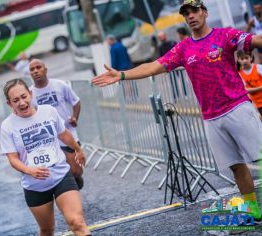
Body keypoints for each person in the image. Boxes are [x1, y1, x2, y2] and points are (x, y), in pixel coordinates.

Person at [92, 0, 262, 221]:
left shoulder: (225, 35)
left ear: (205, 12)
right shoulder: (183, 48)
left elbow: (255, 40)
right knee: (236, 167)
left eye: (194, 11)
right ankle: (253, 211)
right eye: (186, 13)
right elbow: (154, 66)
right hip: (211, 118)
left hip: (238, 108)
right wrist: (122, 75)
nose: (191, 16)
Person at [0, 79, 90, 235]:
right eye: (16, 100)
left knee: (77, 222)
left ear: (30, 94)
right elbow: (13, 159)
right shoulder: (7, 126)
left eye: (24, 96)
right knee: (47, 230)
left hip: (61, 175)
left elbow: (63, 134)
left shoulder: (48, 111)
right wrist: (30, 170)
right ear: (9, 104)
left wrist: (78, 149)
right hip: (35, 185)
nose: (21, 102)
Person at [28, 59, 85, 189]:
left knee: (76, 171)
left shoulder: (60, 85)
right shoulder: (30, 94)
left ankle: (74, 182)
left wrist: (75, 117)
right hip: (49, 139)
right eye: (32, 69)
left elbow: (76, 101)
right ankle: (67, 193)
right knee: (58, 171)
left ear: (45, 69)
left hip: (67, 134)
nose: (36, 71)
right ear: (30, 74)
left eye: (38, 67)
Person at [237, 50, 262, 117]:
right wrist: (260, 88)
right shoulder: (240, 74)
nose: (244, 61)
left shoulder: (258, 67)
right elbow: (245, 90)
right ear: (238, 60)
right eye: (242, 59)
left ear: (251, 58)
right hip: (258, 104)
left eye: (246, 58)